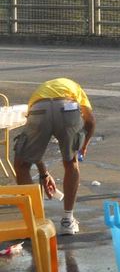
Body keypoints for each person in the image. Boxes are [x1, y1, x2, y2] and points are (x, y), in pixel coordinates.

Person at [13, 78, 95, 235]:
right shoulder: (76, 88)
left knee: (22, 165)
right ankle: (68, 221)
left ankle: (34, 223)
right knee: (71, 163)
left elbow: (35, 149)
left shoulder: (39, 93)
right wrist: (83, 146)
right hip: (68, 108)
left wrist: (43, 172)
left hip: (39, 109)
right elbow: (90, 121)